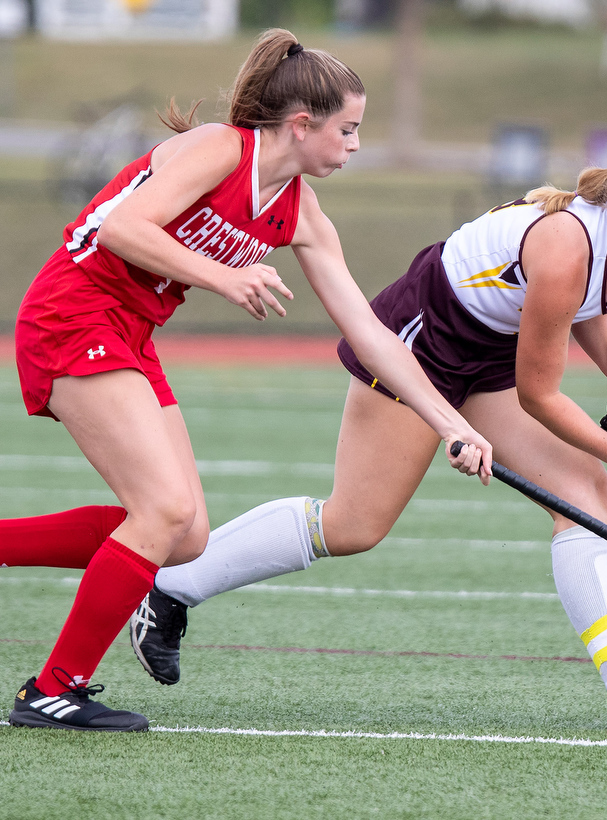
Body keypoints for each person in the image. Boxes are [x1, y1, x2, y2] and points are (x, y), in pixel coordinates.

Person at [130, 130, 607, 732]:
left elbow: (591, 304)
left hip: (485, 357)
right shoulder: (565, 246)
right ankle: (169, 587)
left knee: (586, 499)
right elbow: (540, 395)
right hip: (415, 349)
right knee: (353, 526)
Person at [3, 28, 491, 733]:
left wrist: (453, 424)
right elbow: (119, 227)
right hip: (72, 316)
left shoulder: (301, 212)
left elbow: (371, 334)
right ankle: (54, 690)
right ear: (301, 125)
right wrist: (224, 277)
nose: (356, 144)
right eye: (348, 129)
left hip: (127, 333)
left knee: (184, 537)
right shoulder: (220, 148)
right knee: (163, 513)